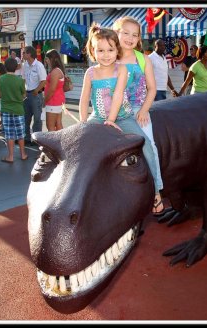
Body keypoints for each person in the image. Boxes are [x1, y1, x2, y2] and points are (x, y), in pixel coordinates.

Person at [79, 23, 164, 214]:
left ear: (116, 50)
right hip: (98, 117)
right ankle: (84, 192)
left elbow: (118, 95)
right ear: (93, 51)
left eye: (110, 49)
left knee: (146, 145)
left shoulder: (121, 69)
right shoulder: (90, 73)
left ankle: (156, 190)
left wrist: (111, 120)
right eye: (100, 50)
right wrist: (83, 122)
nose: (106, 54)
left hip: (123, 116)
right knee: (83, 147)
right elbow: (84, 99)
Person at [113, 16, 167, 215]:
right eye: (125, 32)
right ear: (116, 33)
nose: (129, 37)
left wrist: (144, 110)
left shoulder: (143, 59)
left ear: (139, 39)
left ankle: (156, 192)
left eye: (134, 35)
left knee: (148, 146)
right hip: (113, 110)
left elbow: (152, 89)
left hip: (137, 109)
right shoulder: (110, 56)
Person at [0, 57, 28, 163]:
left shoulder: (0, 79)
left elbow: (0, 93)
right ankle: (23, 154)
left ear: (5, 67)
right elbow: (23, 95)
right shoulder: (20, 80)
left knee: (9, 134)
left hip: (6, 110)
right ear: (16, 68)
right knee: (20, 134)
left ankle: (10, 156)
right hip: (18, 109)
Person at [22, 45, 47, 146]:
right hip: (27, 94)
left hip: (36, 94)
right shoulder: (25, 65)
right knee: (26, 118)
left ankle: (37, 139)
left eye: (24, 52)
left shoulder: (39, 65)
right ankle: (27, 138)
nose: (22, 54)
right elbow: (23, 79)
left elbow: (44, 81)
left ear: (29, 54)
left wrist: (36, 91)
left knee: (37, 118)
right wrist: (23, 91)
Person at [43, 49, 65, 131]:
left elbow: (52, 89)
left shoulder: (55, 72)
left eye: (47, 59)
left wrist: (44, 101)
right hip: (57, 101)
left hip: (53, 102)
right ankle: (61, 142)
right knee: (58, 124)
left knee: (50, 126)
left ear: (51, 59)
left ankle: (52, 143)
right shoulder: (58, 70)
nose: (46, 61)